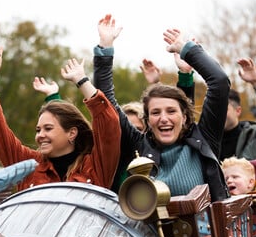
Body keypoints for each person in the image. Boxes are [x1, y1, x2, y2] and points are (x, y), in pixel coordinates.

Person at [93, 14, 230, 202]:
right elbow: (105, 103)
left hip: (206, 231)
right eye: (155, 113)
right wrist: (105, 47)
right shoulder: (139, 145)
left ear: (185, 117)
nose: (163, 118)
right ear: (147, 120)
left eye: (171, 111)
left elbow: (220, 82)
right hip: (146, 232)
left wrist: (188, 50)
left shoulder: (204, 139)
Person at [0, 45, 120, 190]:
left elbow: (109, 124)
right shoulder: (28, 167)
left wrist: (82, 81)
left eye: (48, 128)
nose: (40, 135)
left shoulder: (95, 165)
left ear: (72, 133)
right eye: (38, 130)